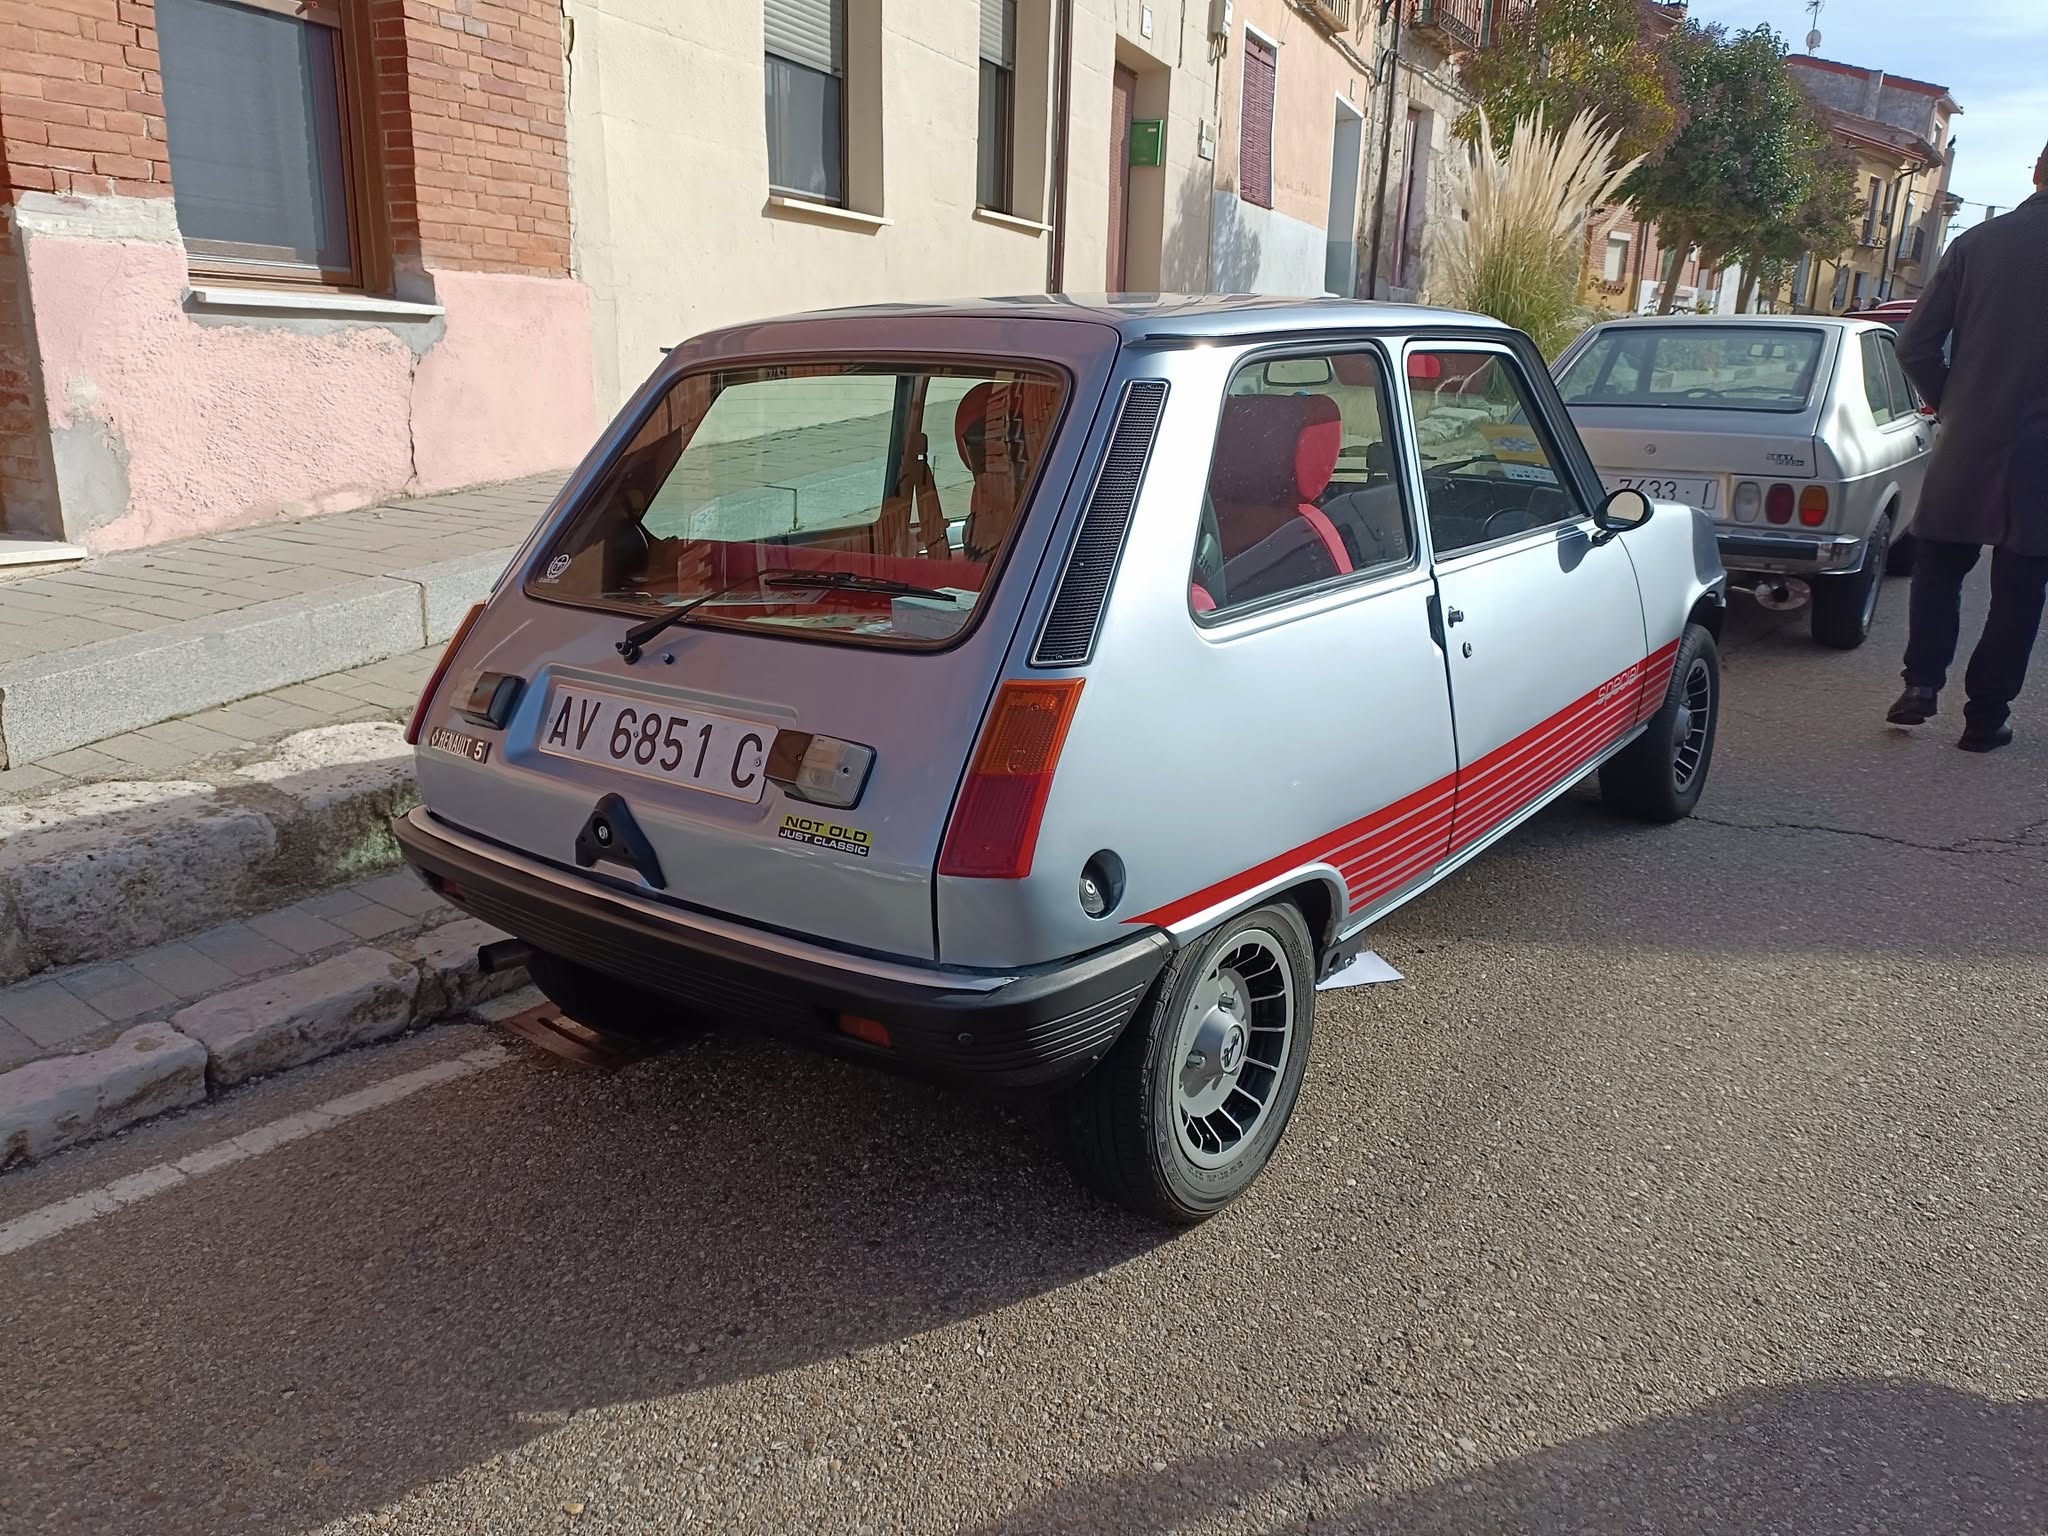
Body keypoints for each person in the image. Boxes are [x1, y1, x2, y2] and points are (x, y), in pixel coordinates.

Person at [1886, 144, 2048, 751]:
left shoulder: (1977, 244)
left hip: (1970, 437)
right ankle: (1985, 717)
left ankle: (1922, 684)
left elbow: (1914, 345)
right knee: (2021, 588)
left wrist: (1953, 401)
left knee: (1939, 566)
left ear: (2036, 173)